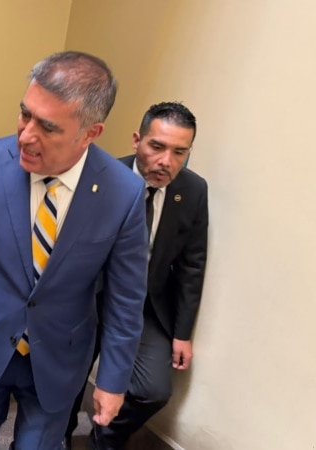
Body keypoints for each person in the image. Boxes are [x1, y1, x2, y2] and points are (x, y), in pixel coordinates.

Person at [0, 51, 149, 450]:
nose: (25, 135)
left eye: (48, 126)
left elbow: (126, 298)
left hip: (61, 356)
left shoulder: (123, 193)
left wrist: (112, 379)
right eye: (25, 114)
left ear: (90, 133)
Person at [87, 102, 208, 450]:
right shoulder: (102, 177)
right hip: (89, 300)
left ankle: (106, 435)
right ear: (137, 140)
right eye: (157, 146)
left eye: (179, 152)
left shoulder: (194, 191)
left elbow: (192, 265)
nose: (166, 161)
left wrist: (182, 333)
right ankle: (60, 438)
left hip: (145, 306)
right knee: (66, 382)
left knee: (154, 391)